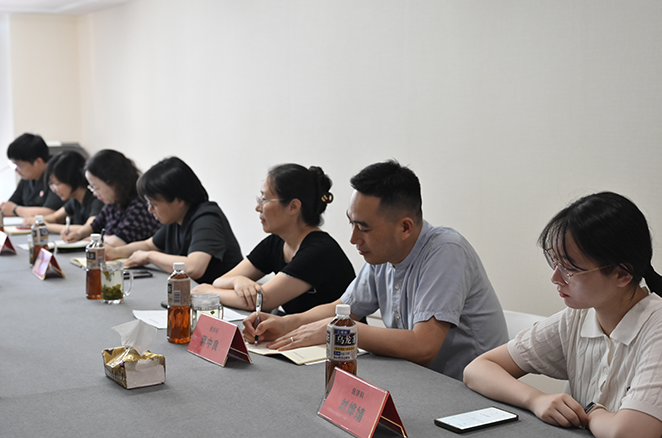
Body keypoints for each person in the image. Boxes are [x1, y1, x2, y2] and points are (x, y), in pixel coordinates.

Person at [463, 192, 662, 438]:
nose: (555, 277)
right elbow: (478, 369)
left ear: (622, 274)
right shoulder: (577, 318)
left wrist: (591, 411)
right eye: (554, 261)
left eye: (570, 269)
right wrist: (536, 400)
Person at [242, 160, 508, 379]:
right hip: (416, 379)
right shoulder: (382, 256)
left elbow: (424, 347)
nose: (353, 239)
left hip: (467, 392)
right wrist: (285, 323)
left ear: (405, 227)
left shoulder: (446, 251)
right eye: (352, 224)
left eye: (364, 228)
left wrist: (339, 330)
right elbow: (344, 308)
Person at [193, 164, 355, 315]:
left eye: (264, 200)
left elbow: (262, 301)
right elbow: (221, 281)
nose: (258, 207)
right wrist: (238, 281)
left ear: (293, 206)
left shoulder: (319, 250)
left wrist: (209, 292)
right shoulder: (276, 242)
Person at [105, 157, 242, 283]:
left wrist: (149, 256)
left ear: (179, 200)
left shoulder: (207, 218)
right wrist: (116, 252)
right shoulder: (177, 217)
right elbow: (149, 245)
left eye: (154, 204)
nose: (150, 210)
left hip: (220, 298)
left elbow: (194, 268)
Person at [63, 149, 160, 246]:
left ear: (114, 183)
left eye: (96, 187)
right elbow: (95, 225)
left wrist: (95, 239)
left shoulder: (140, 206)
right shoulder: (114, 202)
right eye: (91, 188)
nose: (94, 193)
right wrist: (78, 234)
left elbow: (118, 242)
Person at [0, 133, 63, 218]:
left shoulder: (57, 176)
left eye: (19, 165)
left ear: (38, 162)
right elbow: (11, 204)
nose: (16, 169)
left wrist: (15, 210)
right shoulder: (28, 178)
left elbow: (51, 213)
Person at [21, 151, 103, 235]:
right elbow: (55, 217)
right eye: (51, 184)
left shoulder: (97, 198)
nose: (54, 189)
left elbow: (89, 228)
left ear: (72, 179)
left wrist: (45, 226)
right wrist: (36, 220)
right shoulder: (75, 200)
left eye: (57, 184)